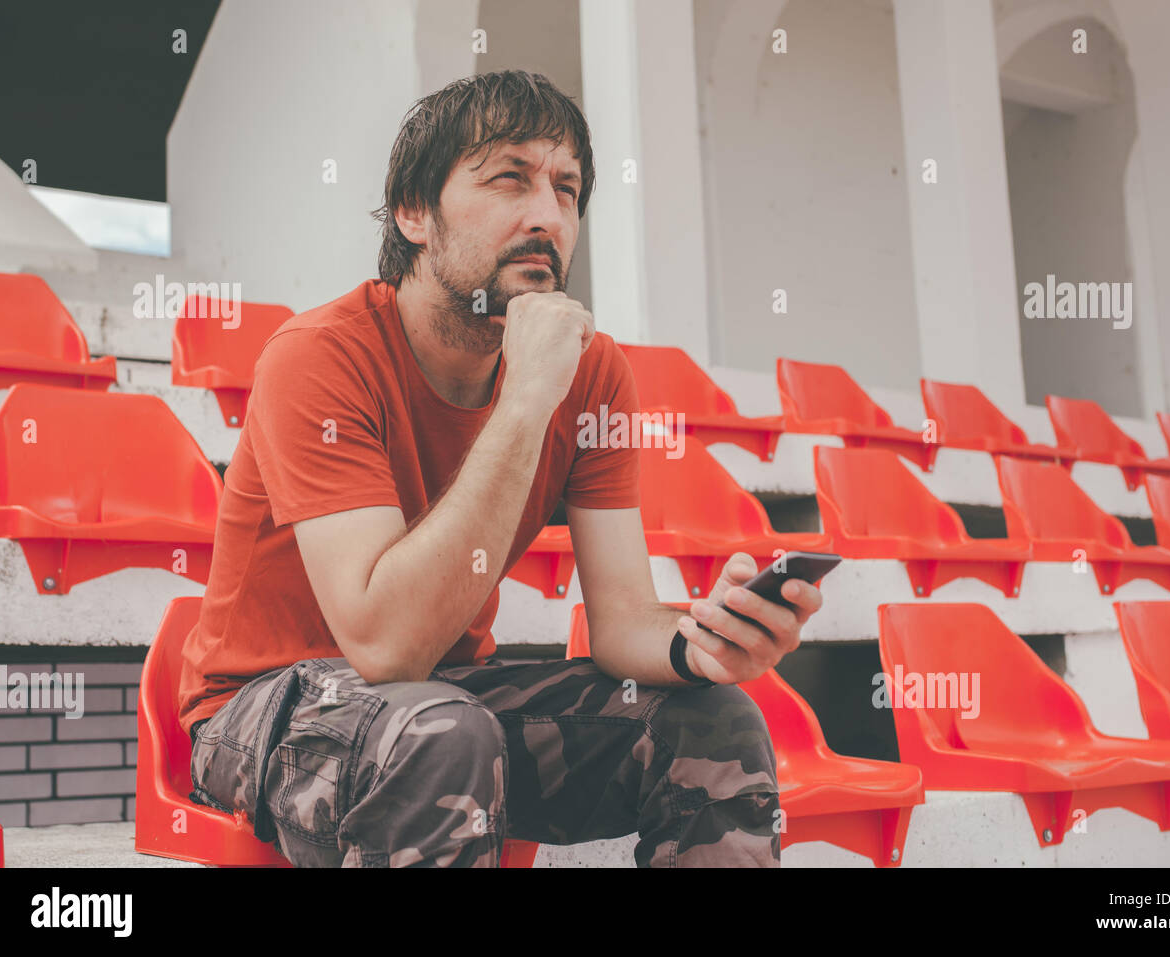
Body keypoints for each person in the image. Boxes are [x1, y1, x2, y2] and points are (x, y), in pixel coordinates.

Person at [176, 70, 824, 867]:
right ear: (415, 212)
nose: (546, 217)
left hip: (441, 704)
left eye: (567, 188)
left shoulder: (593, 373)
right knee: (442, 732)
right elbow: (385, 646)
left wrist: (703, 642)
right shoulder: (319, 358)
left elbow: (622, 622)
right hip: (262, 711)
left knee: (714, 722)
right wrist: (524, 403)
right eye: (509, 179)